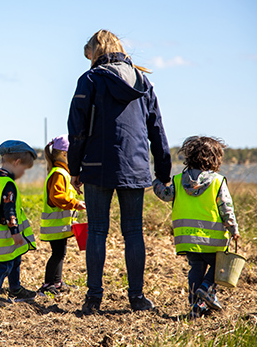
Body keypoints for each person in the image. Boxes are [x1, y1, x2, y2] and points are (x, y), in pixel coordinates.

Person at [67, 29, 172, 314]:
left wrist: (73, 170)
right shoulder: (142, 81)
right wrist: (163, 171)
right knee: (133, 231)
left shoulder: (89, 80)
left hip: (97, 166)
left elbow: (76, 131)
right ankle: (137, 298)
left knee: (98, 231)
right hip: (136, 166)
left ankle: (93, 298)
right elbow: (157, 129)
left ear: (95, 52)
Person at [153, 136, 240, 318]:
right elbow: (226, 208)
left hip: (188, 240)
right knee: (217, 268)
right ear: (214, 159)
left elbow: (164, 194)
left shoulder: (178, 181)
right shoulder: (217, 181)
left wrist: (156, 183)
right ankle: (206, 290)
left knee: (196, 268)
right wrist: (233, 229)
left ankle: (195, 306)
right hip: (213, 241)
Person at [0, 140, 38, 308]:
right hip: (6, 235)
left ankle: (15, 289)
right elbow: (9, 211)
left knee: (15, 259)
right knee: (4, 266)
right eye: (23, 169)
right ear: (16, 163)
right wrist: (16, 232)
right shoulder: (8, 184)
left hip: (0, 233)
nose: (23, 173)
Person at [38, 135, 86, 296]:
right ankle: (48, 285)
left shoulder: (62, 173)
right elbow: (57, 197)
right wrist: (75, 203)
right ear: (65, 154)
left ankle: (56, 283)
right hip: (55, 226)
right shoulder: (59, 173)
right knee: (57, 254)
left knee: (60, 253)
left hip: (59, 226)